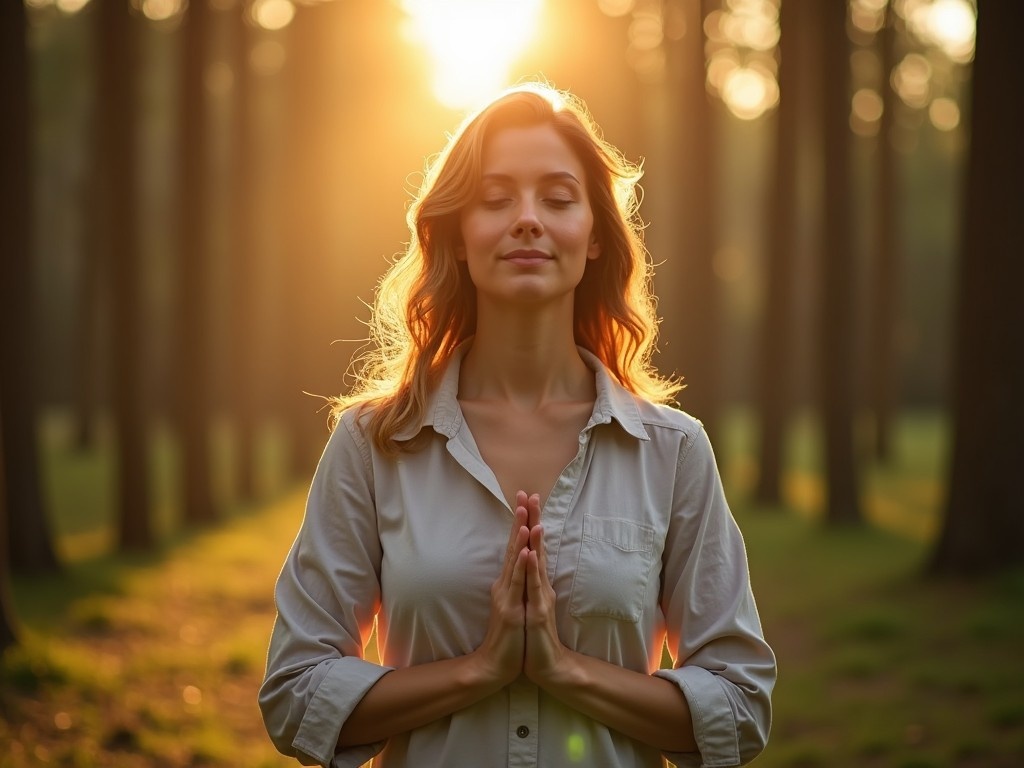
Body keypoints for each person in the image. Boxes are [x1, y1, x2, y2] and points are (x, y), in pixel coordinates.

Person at [259, 82, 775, 768]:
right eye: (495, 199)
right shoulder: (374, 444)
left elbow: (739, 712)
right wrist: (480, 670)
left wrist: (564, 671)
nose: (527, 219)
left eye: (557, 199)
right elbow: (295, 696)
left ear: (593, 237)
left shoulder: (673, 452)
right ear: (458, 235)